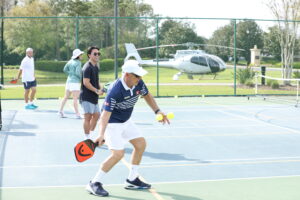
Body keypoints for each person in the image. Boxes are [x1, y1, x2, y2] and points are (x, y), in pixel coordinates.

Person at [86, 60, 170, 197]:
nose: (140, 78)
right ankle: (94, 183)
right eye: (137, 76)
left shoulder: (138, 83)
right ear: (127, 75)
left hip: (126, 121)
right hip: (112, 124)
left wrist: (157, 111)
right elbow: (105, 115)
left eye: (140, 76)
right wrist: (101, 134)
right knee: (118, 154)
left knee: (141, 144)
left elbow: (147, 95)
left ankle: (132, 179)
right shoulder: (115, 90)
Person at [80, 46, 103, 139]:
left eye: (98, 53)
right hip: (86, 96)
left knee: (97, 115)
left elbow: (96, 81)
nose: (97, 55)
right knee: (88, 117)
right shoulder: (87, 67)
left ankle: (90, 133)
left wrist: (101, 88)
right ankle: (87, 137)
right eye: (95, 54)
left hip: (94, 97)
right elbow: (86, 82)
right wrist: (96, 90)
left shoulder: (96, 67)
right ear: (89, 55)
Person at [58, 49, 84, 118]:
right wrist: (81, 79)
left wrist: (70, 74)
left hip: (68, 82)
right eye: (81, 54)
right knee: (75, 98)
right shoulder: (78, 62)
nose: (82, 55)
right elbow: (78, 73)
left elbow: (65, 69)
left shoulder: (70, 61)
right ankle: (77, 114)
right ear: (78, 56)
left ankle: (60, 111)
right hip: (75, 83)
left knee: (66, 97)